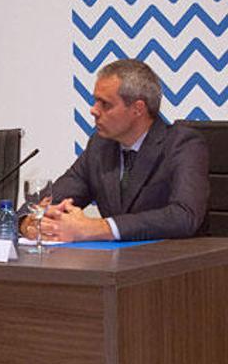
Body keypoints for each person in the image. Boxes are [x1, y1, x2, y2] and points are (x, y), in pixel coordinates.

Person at [21, 59, 209, 242]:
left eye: (105, 104)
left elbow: (184, 216)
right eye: (95, 101)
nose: (93, 110)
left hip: (172, 265)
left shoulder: (182, 144)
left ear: (138, 108)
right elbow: (49, 201)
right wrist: (31, 223)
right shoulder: (99, 147)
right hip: (115, 266)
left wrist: (97, 228)